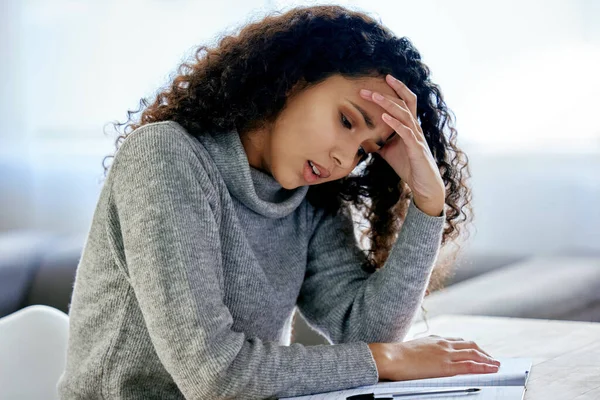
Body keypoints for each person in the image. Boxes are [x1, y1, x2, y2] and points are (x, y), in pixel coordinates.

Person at [58, 4, 499, 399]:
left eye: (365, 152)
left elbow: (367, 331)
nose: (344, 159)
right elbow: (215, 376)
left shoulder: (309, 197)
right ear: (294, 80)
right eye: (346, 121)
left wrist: (427, 201)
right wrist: (385, 361)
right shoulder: (166, 157)